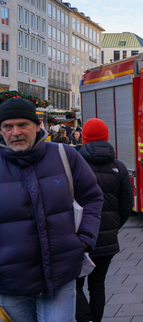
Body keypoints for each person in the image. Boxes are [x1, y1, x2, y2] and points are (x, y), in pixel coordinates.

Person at [0, 98, 103, 322]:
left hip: (58, 276)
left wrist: (85, 239)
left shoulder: (65, 156)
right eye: (8, 126)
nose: (15, 132)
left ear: (38, 125)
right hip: (9, 283)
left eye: (22, 125)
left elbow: (92, 197)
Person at [76, 119, 134, 322]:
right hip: (107, 241)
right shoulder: (119, 166)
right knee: (98, 285)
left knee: (74, 284)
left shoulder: (74, 164)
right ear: (106, 138)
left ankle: (85, 319)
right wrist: (113, 227)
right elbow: (127, 205)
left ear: (84, 138)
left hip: (80, 238)